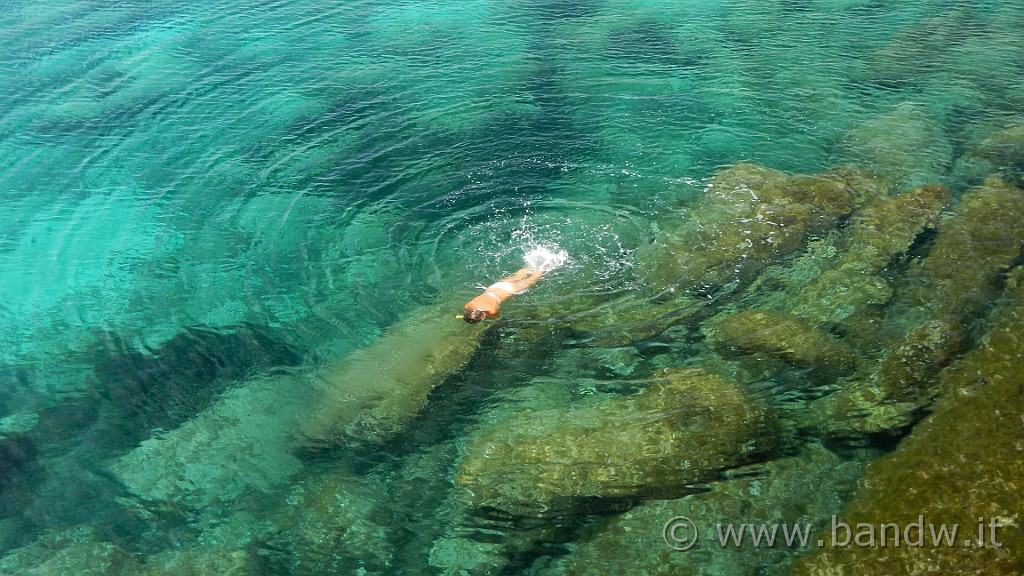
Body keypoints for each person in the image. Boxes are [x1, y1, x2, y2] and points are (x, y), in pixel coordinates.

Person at [461, 267, 544, 323]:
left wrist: (485, 317)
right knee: (516, 277)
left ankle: (545, 266)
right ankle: (531, 266)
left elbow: (496, 316)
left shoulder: (491, 310)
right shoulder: (468, 305)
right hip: (496, 286)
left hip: (507, 290)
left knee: (532, 280)